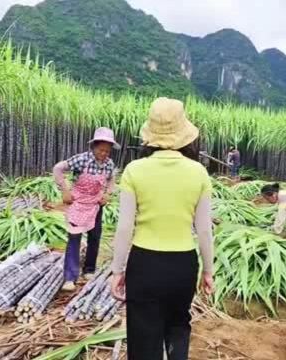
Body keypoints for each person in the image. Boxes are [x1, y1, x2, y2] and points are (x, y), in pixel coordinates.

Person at [110, 97, 215, 360]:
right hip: (183, 264)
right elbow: (204, 230)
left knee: (143, 333)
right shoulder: (198, 172)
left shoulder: (134, 171)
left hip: (145, 263)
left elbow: (124, 228)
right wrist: (208, 271)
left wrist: (117, 270)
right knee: (179, 325)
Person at [53, 127, 119, 291]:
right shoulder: (82, 159)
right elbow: (58, 168)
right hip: (78, 204)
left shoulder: (109, 164)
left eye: (107, 151)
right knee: (74, 239)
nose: (104, 153)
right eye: (101, 150)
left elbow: (111, 180)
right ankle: (70, 277)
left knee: (95, 237)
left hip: (95, 205)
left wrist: (107, 194)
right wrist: (65, 190)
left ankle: (89, 269)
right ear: (94, 147)